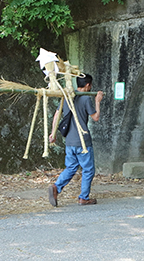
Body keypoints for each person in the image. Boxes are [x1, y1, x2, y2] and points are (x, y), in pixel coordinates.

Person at [48, 74, 104, 206]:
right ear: (88, 85)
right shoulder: (85, 98)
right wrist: (97, 101)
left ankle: (56, 187)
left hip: (69, 140)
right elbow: (95, 117)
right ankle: (84, 197)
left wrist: (53, 133)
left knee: (71, 167)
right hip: (83, 141)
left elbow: (57, 114)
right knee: (88, 169)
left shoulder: (67, 97)